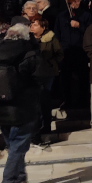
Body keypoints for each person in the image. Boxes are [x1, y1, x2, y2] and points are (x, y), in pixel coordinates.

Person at [0, 23, 43, 183]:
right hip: (23, 107)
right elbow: (42, 77)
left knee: (14, 146)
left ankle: (19, 179)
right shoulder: (29, 54)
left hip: (0, 107)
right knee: (18, 147)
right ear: (25, 36)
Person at [54, 0, 92, 108]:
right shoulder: (61, 16)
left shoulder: (86, 15)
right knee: (65, 78)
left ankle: (83, 101)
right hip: (66, 51)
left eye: (79, 1)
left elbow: (90, 32)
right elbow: (57, 33)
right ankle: (67, 100)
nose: (77, 3)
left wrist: (79, 26)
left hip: (80, 50)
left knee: (83, 77)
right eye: (74, 1)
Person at [29, 17, 63, 147]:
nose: (32, 27)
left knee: (45, 99)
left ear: (43, 27)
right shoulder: (28, 39)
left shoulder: (51, 38)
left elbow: (59, 54)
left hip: (47, 73)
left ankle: (46, 126)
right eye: (32, 25)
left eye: (36, 25)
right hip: (33, 73)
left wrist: (51, 63)